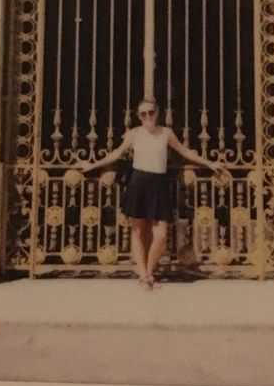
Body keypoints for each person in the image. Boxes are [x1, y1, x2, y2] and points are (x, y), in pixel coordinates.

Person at [75, 98, 220, 289]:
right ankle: (144, 276)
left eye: (151, 112)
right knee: (137, 232)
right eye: (143, 114)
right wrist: (92, 165)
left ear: (157, 112)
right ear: (139, 116)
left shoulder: (166, 133)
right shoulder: (134, 134)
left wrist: (209, 163)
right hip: (138, 183)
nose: (147, 116)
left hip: (158, 184)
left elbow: (185, 152)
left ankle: (149, 272)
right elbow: (116, 153)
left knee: (161, 234)